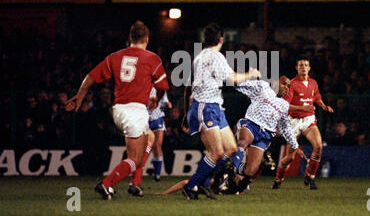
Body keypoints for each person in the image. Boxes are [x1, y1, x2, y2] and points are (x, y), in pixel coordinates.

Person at [65, 20, 169, 200]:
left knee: (150, 138)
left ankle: (135, 184)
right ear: (147, 39)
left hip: (120, 109)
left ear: (130, 38)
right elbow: (163, 86)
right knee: (135, 159)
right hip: (134, 112)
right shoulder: (152, 58)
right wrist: (156, 99)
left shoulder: (116, 56)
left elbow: (90, 77)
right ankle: (106, 184)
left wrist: (80, 97)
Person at [181, 22, 261, 200]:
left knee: (231, 149)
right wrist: (251, 73)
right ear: (221, 39)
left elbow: (188, 85)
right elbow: (232, 79)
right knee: (217, 152)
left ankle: (203, 182)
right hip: (205, 106)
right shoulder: (215, 57)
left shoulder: (199, 57)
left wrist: (186, 114)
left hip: (214, 107)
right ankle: (192, 186)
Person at [211, 76, 307, 195]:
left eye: (288, 86)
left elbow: (285, 126)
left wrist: (294, 145)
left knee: (250, 170)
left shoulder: (284, 105)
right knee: (243, 142)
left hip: (265, 135)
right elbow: (242, 85)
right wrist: (231, 79)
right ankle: (228, 172)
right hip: (251, 124)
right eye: (284, 84)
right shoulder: (263, 87)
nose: (286, 88)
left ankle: (232, 188)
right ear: (276, 82)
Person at [272, 58, 333, 190]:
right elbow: (285, 105)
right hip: (293, 121)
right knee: (290, 157)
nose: (303, 67)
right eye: (301, 65)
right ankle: (278, 179)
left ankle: (309, 177)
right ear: (296, 68)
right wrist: (304, 108)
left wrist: (323, 105)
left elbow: (316, 96)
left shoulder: (313, 83)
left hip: (308, 120)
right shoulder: (292, 84)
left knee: (318, 146)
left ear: (309, 68)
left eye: (306, 65)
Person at [130, 87, 172, 187]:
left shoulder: (160, 88)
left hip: (158, 119)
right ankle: (136, 174)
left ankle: (157, 175)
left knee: (157, 145)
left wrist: (168, 104)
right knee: (143, 147)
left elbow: (165, 101)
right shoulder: (142, 85)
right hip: (145, 119)